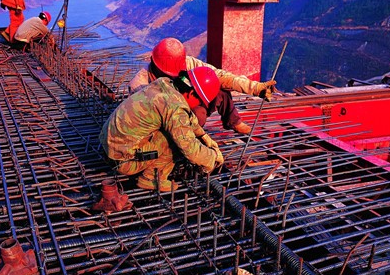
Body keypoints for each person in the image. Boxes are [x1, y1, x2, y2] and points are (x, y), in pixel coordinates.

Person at [100, 66, 224, 192]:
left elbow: (187, 118)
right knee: (175, 140)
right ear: (191, 93)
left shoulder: (165, 84)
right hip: (124, 161)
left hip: (108, 146)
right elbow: (190, 149)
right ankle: (152, 179)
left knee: (176, 129)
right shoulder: (174, 107)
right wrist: (212, 157)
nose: (199, 105)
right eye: (199, 102)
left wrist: (203, 136)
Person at [128, 37, 277, 135]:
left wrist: (256, 88)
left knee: (219, 90)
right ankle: (183, 145)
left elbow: (218, 76)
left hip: (188, 104)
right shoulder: (139, 84)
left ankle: (233, 122)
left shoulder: (186, 63)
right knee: (197, 116)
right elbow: (145, 120)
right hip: (167, 121)